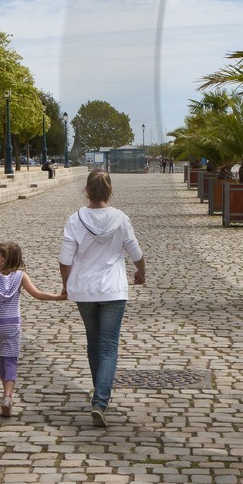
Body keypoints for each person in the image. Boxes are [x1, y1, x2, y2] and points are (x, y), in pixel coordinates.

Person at [59, 169, 146, 428]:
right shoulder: (120, 218)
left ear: (87, 190)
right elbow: (135, 251)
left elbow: (65, 259)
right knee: (108, 346)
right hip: (113, 290)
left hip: (84, 290)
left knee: (93, 343)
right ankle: (100, 401)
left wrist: (66, 286)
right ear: (109, 191)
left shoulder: (75, 219)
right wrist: (141, 271)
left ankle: (100, 393)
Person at [0, 241, 64, 417]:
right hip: (12, 324)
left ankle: (6, 394)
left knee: (2, 357)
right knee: (11, 359)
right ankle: (8, 396)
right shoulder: (21, 276)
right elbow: (37, 294)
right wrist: (58, 297)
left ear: (3, 260)